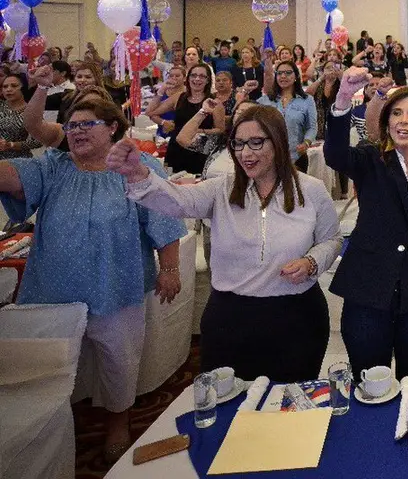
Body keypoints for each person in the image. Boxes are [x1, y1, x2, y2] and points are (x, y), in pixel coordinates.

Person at [0, 95, 186, 460]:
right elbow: (12, 179)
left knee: (119, 357)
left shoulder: (137, 166)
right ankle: (54, 419)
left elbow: (164, 216)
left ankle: (119, 419)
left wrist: (170, 268)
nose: (77, 131)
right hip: (54, 286)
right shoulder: (54, 166)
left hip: (115, 283)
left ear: (113, 127)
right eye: (71, 126)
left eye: (87, 124)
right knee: (49, 361)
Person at [110, 105, 340, 383]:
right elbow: (177, 201)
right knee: (227, 406)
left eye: (257, 142)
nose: (246, 153)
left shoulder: (311, 189)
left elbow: (331, 239)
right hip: (231, 318)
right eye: (239, 143)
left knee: (289, 407)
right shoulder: (221, 188)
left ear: (278, 141)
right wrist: (137, 174)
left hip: (296, 317)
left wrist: (312, 262)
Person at [325, 73, 408, 380]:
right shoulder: (371, 158)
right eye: (396, 113)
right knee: (370, 383)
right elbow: (335, 155)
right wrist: (342, 100)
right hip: (368, 290)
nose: (403, 121)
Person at [151, 62, 223, 176]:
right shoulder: (179, 97)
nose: (197, 79)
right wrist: (162, 89)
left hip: (199, 151)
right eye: (193, 75)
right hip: (175, 150)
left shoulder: (214, 102)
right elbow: (150, 112)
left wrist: (199, 131)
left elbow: (220, 130)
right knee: (172, 187)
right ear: (188, 78)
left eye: (202, 76)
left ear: (208, 80)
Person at [258, 60, 317, 171]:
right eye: (279, 73)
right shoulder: (266, 100)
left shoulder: (307, 100)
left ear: (296, 76)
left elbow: (312, 127)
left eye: (288, 73)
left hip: (296, 158)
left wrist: (306, 142)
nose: (283, 76)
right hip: (269, 158)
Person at [0, 73, 41, 160]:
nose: (8, 89)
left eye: (14, 86)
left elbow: (38, 141)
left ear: (23, 88)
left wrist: (11, 145)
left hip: (18, 161)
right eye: (5, 86)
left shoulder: (31, 112)